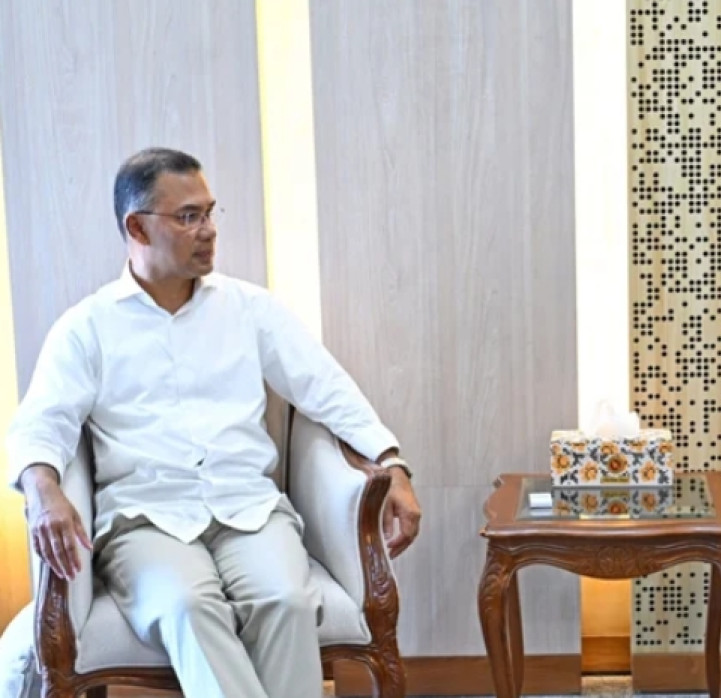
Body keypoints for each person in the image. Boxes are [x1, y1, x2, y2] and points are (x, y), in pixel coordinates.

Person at [6, 147, 422, 698]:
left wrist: (392, 466)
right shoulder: (86, 327)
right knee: (188, 606)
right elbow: (43, 422)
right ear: (137, 226)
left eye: (209, 212)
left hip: (249, 507)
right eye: (188, 217)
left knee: (289, 602)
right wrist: (43, 490)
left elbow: (326, 388)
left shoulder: (251, 310)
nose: (208, 231)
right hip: (145, 520)